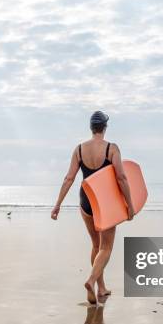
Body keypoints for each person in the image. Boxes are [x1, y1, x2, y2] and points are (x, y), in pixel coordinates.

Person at [51, 111, 135, 304]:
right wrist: (130, 205)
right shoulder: (112, 149)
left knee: (96, 245)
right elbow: (121, 178)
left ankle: (101, 288)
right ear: (105, 127)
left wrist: (58, 205)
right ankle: (91, 280)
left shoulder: (79, 149)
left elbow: (69, 178)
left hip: (86, 200)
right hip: (105, 202)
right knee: (106, 247)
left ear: (91, 127)